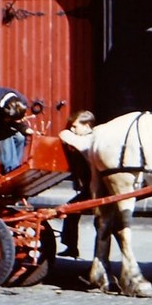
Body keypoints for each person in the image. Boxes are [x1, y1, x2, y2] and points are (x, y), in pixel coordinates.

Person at [57, 110, 96, 258]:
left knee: (69, 211)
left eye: (75, 126)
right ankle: (71, 246)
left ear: (87, 126)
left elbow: (65, 135)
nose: (71, 130)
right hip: (88, 187)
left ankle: (72, 247)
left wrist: (67, 134)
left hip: (95, 188)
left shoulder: (90, 139)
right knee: (71, 212)